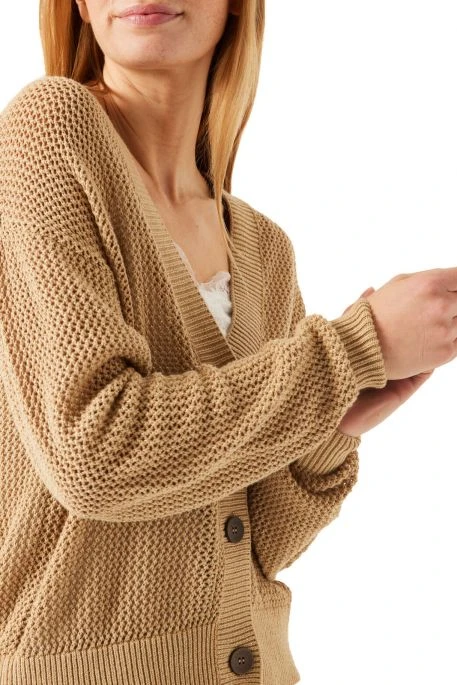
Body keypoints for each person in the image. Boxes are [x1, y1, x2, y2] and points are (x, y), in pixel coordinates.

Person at [0, 1, 456, 683]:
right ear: (81, 6)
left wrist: (334, 424)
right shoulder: (47, 131)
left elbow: (254, 545)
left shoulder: (263, 248)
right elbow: (94, 453)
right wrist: (352, 351)